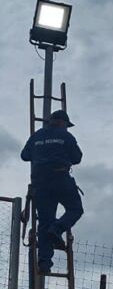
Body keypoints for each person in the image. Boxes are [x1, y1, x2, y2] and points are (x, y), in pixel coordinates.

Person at [21, 110, 84, 274]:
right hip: (60, 177)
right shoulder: (66, 136)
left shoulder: (36, 136)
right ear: (63, 122)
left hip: (40, 182)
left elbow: (24, 155)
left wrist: (41, 154)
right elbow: (77, 158)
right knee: (75, 209)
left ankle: (44, 263)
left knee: (44, 221)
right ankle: (57, 229)